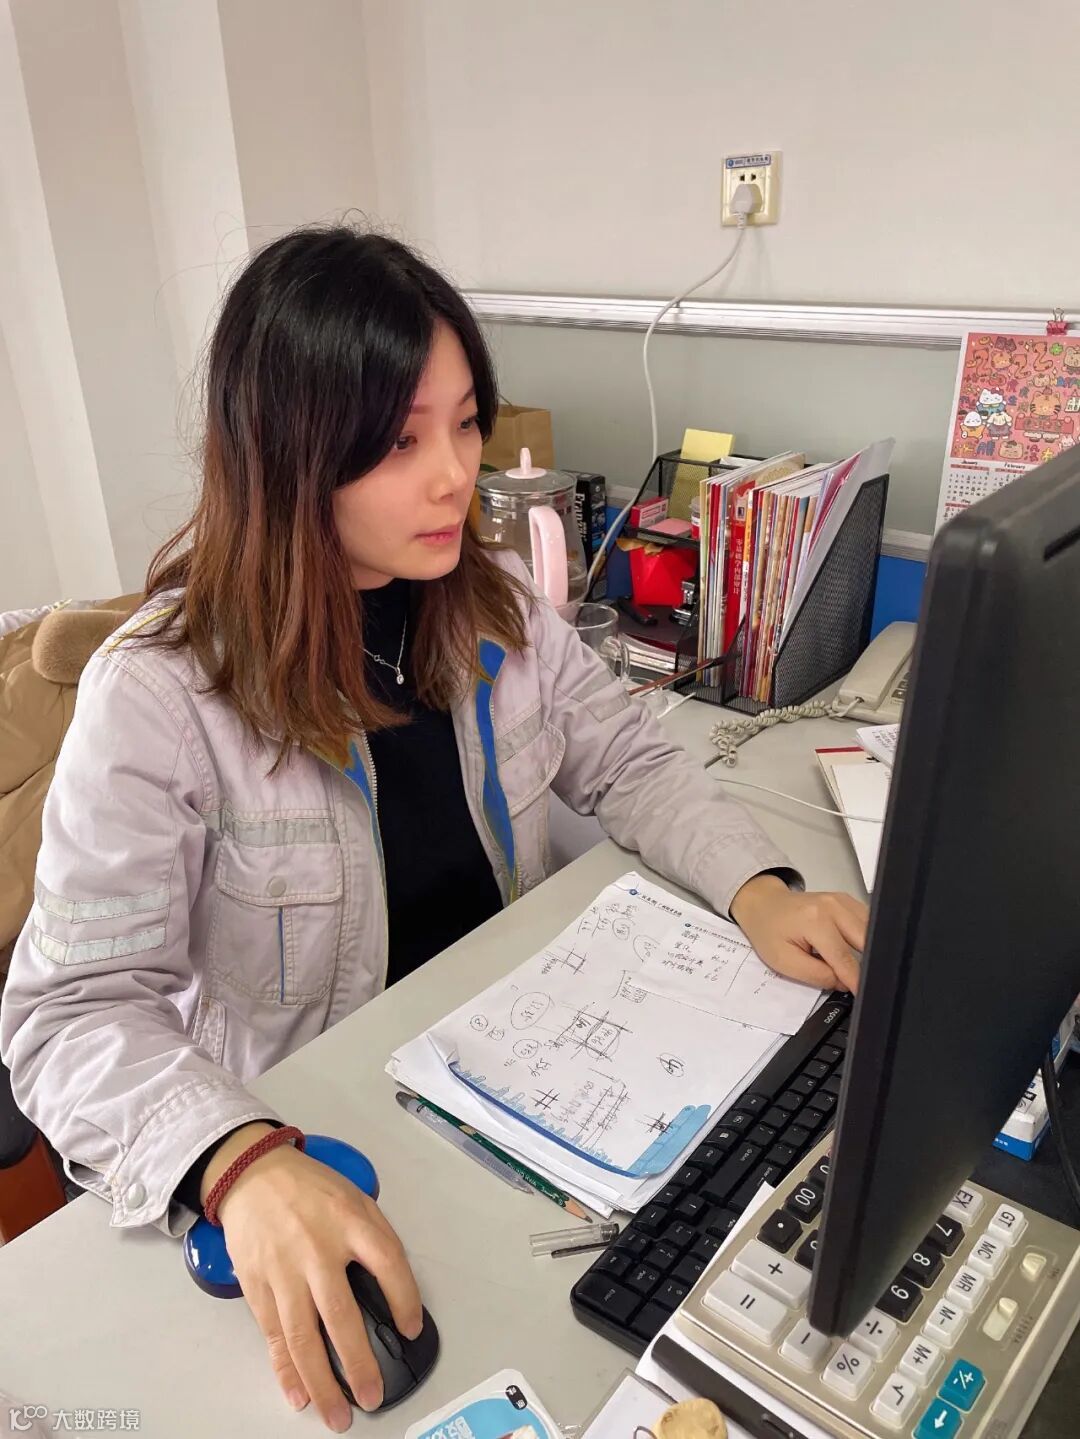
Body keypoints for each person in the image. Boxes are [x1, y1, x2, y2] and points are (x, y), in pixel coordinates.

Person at [0, 227, 867, 1432]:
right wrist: (234, 1159)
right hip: (307, 1142)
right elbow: (69, 1014)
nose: (457, 474)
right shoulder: (158, 694)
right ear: (291, 455)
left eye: (466, 424)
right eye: (403, 441)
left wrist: (760, 889)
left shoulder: (490, 604)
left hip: (509, 1095)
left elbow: (628, 757)